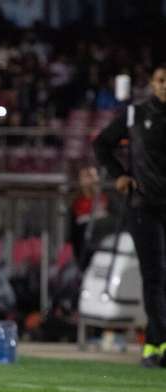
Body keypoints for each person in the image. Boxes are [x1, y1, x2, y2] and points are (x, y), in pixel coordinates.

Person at [93, 64, 166, 368]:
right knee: (155, 275)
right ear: (151, 83)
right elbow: (101, 144)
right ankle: (155, 345)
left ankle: (156, 342)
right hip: (145, 206)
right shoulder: (136, 114)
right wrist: (119, 175)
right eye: (162, 80)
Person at [69, 165, 108, 270]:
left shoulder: (107, 199)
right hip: (85, 251)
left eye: (91, 176)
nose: (89, 180)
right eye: (86, 176)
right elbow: (74, 234)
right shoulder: (76, 203)